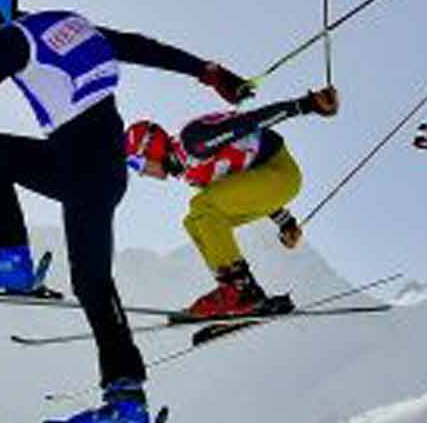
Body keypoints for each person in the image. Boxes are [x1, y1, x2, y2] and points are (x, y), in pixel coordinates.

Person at [0, 0, 250, 423]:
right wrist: (207, 70)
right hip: (99, 167)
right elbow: (140, 46)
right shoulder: (71, 25)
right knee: (90, 280)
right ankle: (126, 404)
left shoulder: (15, 38)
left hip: (80, 164)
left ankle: (12, 260)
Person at [124, 85, 339, 323]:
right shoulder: (190, 172)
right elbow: (244, 190)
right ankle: (236, 291)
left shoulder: (192, 143)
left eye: (136, 163)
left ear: (150, 148)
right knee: (194, 221)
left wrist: (306, 105)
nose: (141, 173)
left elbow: (250, 122)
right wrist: (286, 223)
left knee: (203, 207)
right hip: (269, 181)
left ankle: (239, 291)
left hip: (280, 171)